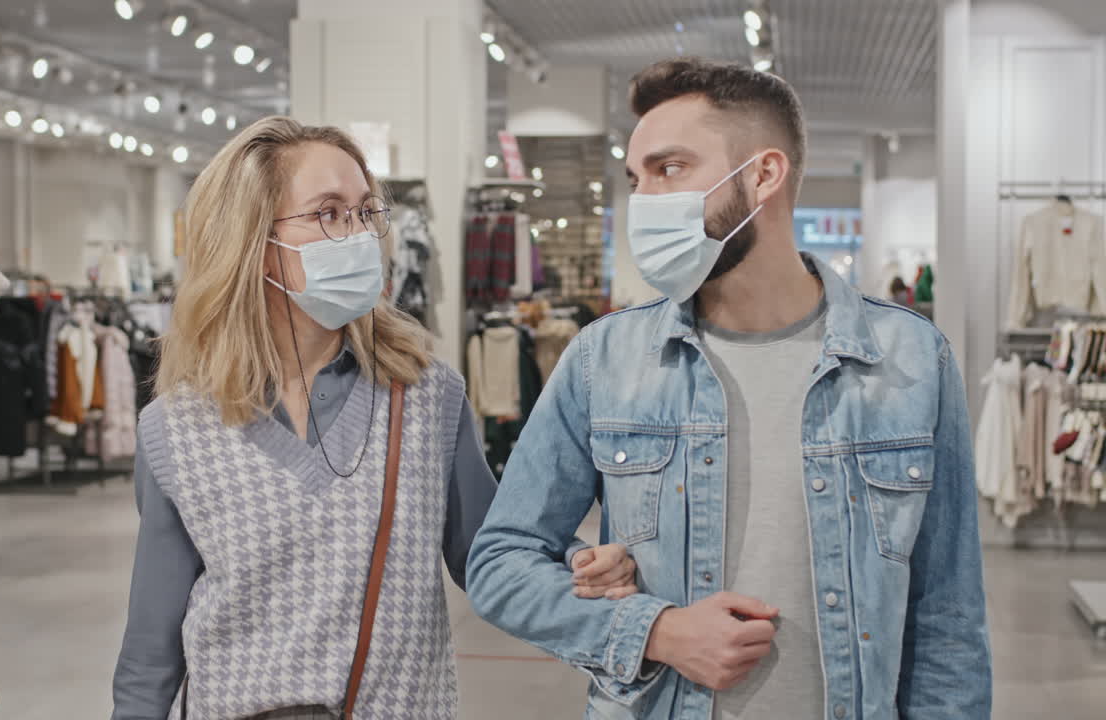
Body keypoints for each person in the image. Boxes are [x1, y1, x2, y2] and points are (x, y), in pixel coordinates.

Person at [467, 58, 991, 720]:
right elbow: (501, 562)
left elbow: (948, 618)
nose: (645, 199)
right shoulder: (606, 360)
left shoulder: (912, 360)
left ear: (764, 175)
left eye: (671, 169)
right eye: (636, 177)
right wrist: (655, 630)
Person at [110, 117, 638, 720]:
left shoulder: (426, 396)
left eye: (365, 211)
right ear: (253, 241)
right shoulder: (177, 429)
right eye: (329, 212)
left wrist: (576, 564)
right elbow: (152, 648)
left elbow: (488, 552)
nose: (359, 233)